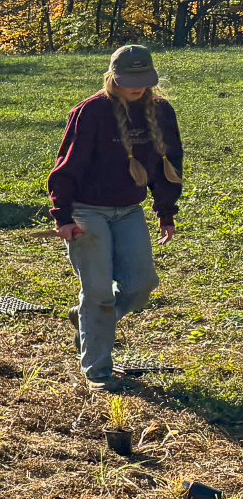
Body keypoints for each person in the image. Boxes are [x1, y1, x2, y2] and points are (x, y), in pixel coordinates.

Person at [47, 44, 183, 391]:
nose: (137, 86)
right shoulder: (90, 112)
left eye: (143, 79)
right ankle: (97, 370)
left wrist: (165, 211)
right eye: (129, 80)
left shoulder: (161, 112)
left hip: (129, 211)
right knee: (98, 292)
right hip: (87, 210)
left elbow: (168, 166)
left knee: (141, 285)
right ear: (113, 76)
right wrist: (63, 216)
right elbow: (66, 167)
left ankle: (87, 321)